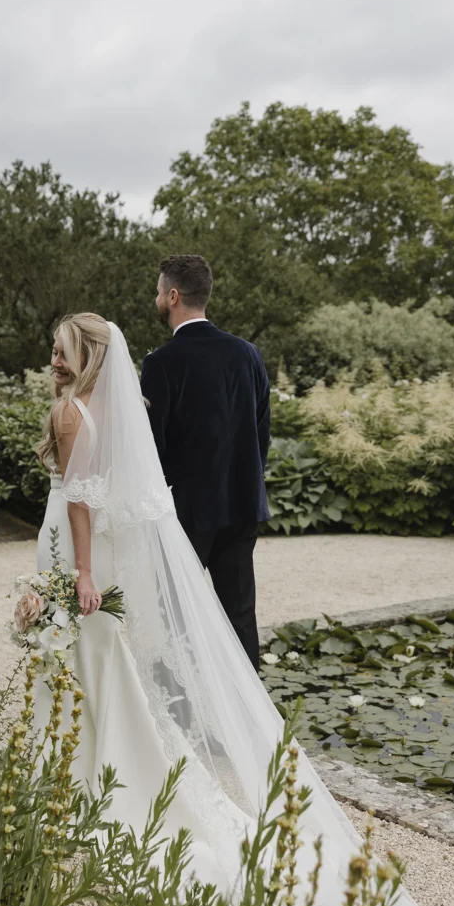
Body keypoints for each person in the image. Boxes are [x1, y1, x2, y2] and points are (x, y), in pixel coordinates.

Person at [33, 311, 454, 906]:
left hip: (82, 554)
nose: (54, 360)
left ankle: (88, 777)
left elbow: (81, 503)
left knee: (91, 665)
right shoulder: (121, 405)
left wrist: (78, 575)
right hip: (154, 536)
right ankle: (101, 770)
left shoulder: (71, 413)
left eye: (61, 352)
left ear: (85, 354)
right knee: (122, 662)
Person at [140, 254, 270, 672]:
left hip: (186, 514)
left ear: (173, 296)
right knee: (240, 616)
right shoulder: (248, 354)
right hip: (242, 504)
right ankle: (252, 725)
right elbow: (260, 433)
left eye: (159, 292)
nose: (157, 298)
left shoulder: (161, 363)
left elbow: (151, 451)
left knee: (175, 620)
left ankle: (180, 714)